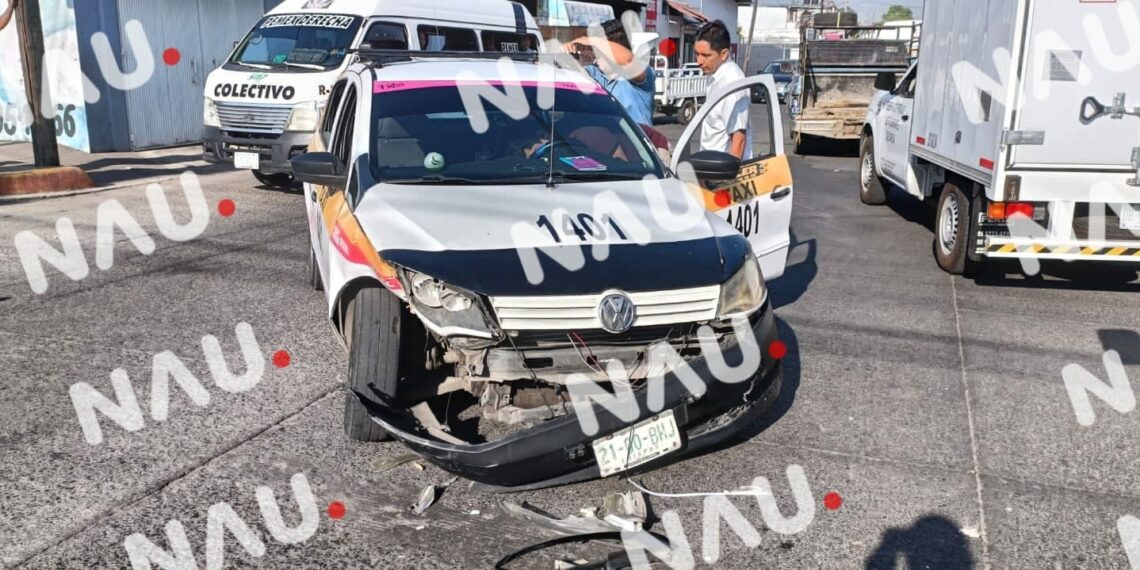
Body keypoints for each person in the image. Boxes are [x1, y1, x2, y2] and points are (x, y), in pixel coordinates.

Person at [563, 19, 657, 127]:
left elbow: (627, 60)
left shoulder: (640, 76)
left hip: (635, 143)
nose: (596, 53)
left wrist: (593, 40)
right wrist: (566, 52)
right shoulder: (594, 73)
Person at [693, 20, 752, 160]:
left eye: (706, 55)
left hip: (721, 174)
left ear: (724, 54)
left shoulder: (731, 82)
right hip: (711, 169)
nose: (699, 61)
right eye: (697, 54)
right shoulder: (715, 76)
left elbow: (739, 140)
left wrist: (728, 179)